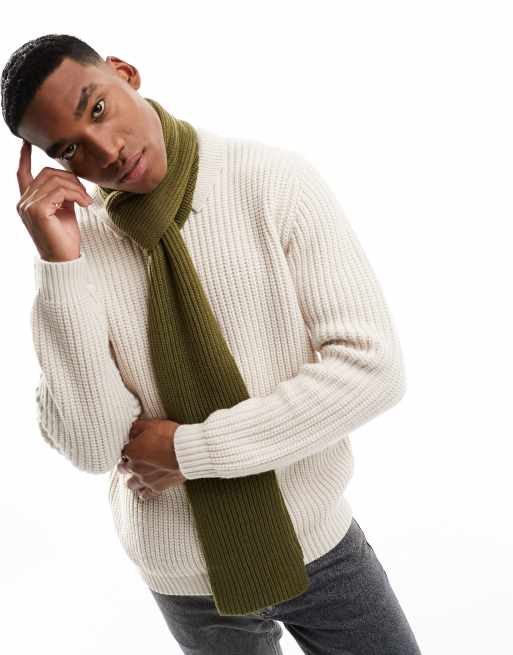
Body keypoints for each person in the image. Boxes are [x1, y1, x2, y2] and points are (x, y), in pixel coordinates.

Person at [2, 33, 423, 654]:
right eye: (70, 149)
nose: (106, 150)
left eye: (98, 108)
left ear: (125, 73)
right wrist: (60, 266)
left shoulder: (270, 181)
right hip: (182, 577)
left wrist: (188, 451)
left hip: (316, 541)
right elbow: (93, 447)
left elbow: (373, 369)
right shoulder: (76, 242)